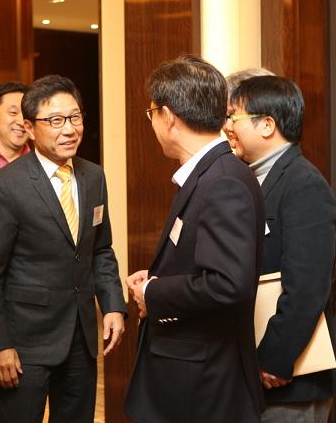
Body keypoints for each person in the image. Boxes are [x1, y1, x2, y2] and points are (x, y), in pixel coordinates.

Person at [0, 75, 126, 423]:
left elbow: (101, 249)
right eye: (55, 121)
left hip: (81, 338)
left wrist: (113, 305)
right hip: (24, 343)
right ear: (30, 127)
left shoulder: (93, 176)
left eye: (75, 117)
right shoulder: (4, 186)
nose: (69, 129)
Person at [124, 55, 266, 422]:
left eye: (151, 113)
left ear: (168, 116)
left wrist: (153, 292)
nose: (152, 124)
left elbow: (227, 285)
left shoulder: (223, 181)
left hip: (202, 386)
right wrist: (161, 278)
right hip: (195, 378)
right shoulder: (211, 173)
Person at [224, 75, 336, 423]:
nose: (227, 127)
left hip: (290, 382)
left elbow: (307, 287)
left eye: (233, 117)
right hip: (256, 374)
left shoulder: (304, 184)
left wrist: (274, 359)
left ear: (267, 125)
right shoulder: (252, 177)